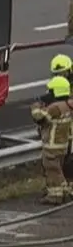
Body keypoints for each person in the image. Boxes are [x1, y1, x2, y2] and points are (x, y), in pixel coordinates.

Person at [30, 75, 73, 204]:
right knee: (61, 169)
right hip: (64, 145)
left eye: (50, 90)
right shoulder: (68, 106)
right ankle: (64, 192)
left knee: (53, 170)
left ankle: (56, 196)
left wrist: (36, 105)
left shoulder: (55, 107)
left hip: (52, 146)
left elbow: (39, 117)